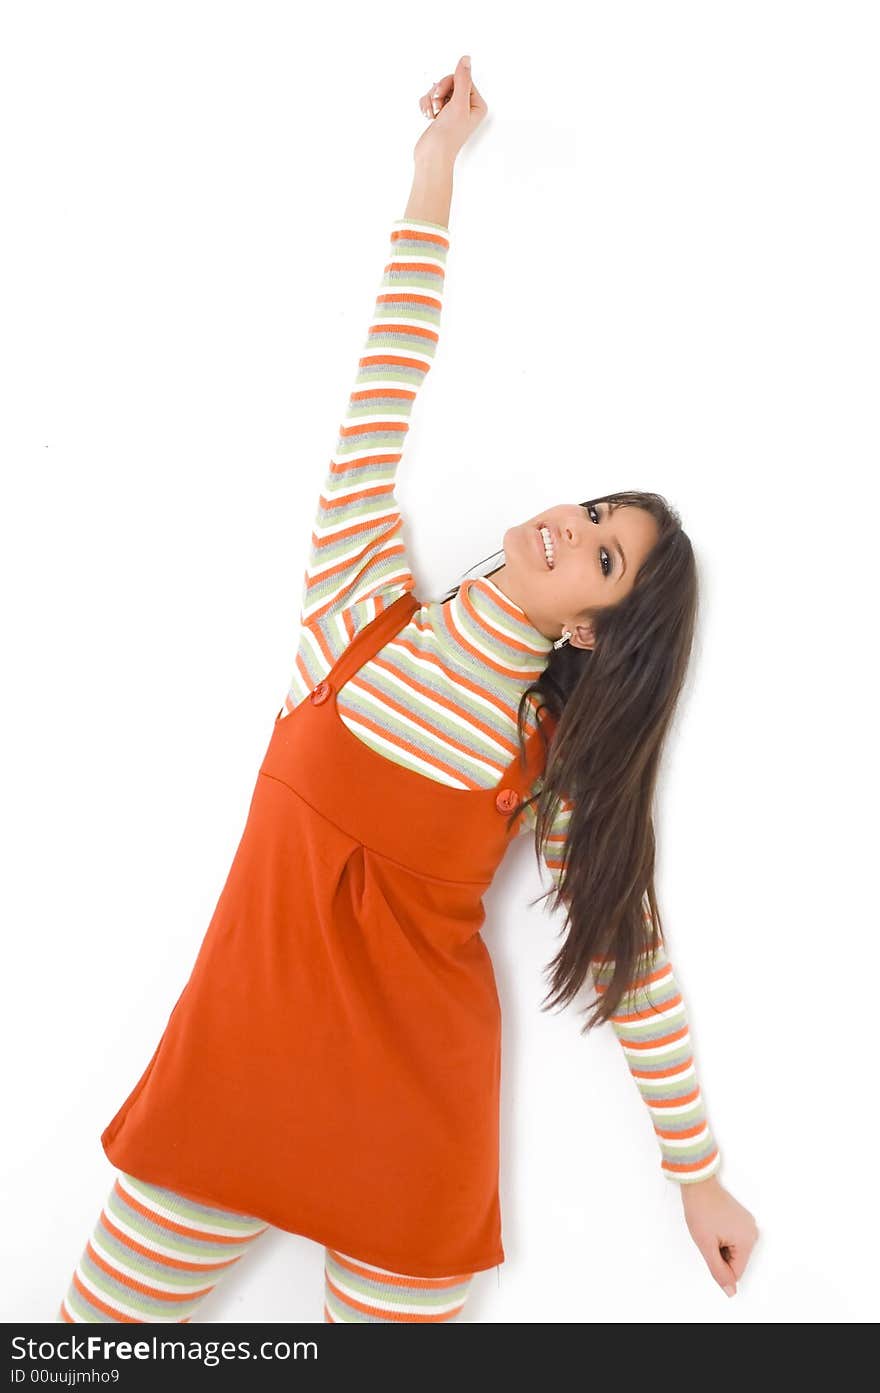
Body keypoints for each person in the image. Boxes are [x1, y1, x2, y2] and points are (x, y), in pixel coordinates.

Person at [57, 55, 759, 1325]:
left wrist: (696, 1175)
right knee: (79, 1349)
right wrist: (433, 169)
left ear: (596, 635)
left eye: (604, 557)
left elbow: (628, 953)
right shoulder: (355, 603)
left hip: (408, 1121)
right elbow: (387, 373)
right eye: (597, 511)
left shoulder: (534, 755)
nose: (572, 526)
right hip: (231, 1080)